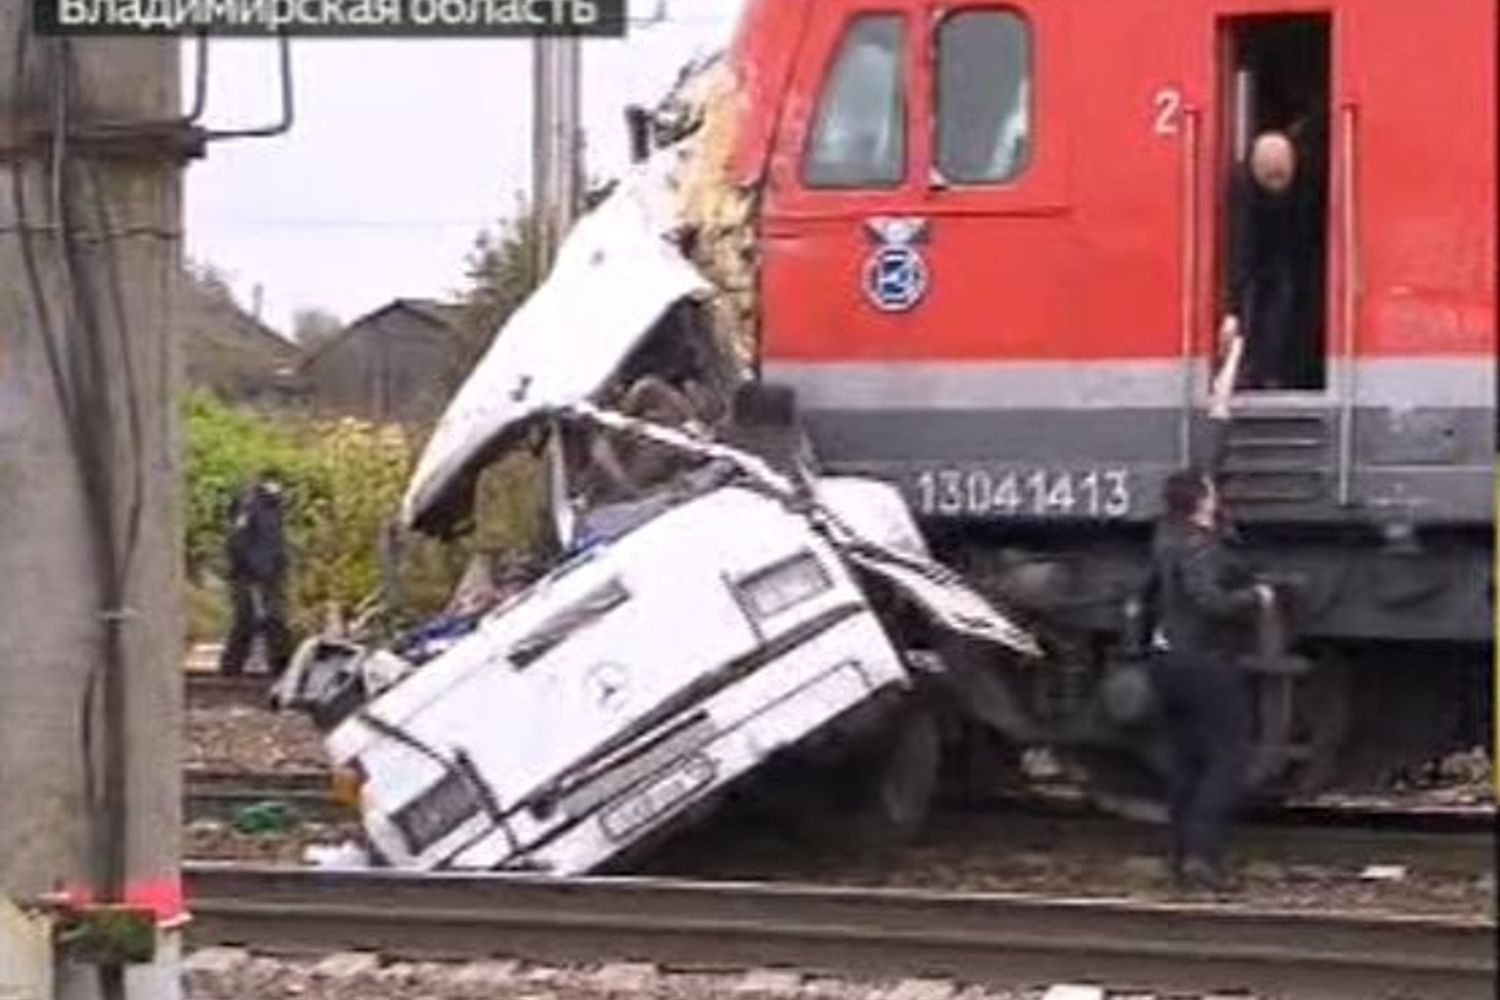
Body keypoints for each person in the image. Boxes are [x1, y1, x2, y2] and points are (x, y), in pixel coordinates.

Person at [1148, 329, 1275, 892]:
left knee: (1186, 761)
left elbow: (1212, 435)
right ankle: (1201, 860)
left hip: (1165, 663)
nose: (1218, 490)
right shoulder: (1199, 545)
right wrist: (1256, 598)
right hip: (1203, 662)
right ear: (1202, 502)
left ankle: (1179, 857)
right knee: (1226, 758)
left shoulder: (1166, 532)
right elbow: (1209, 600)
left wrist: (1232, 358)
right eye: (1212, 489)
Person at [1225, 130, 1315, 390]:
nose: (1277, 185)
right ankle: (1255, 368)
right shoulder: (1242, 190)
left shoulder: (1305, 184)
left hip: (1286, 252)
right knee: (1259, 304)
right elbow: (1242, 245)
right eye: (1271, 177)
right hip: (1259, 251)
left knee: (1283, 304)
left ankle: (1272, 371)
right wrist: (1233, 307)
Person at [219, 468, 294, 677]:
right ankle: (233, 667)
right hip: (249, 573)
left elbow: (274, 542)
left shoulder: (274, 507)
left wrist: (279, 565)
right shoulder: (250, 505)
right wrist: (250, 567)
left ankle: (279, 665)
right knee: (249, 618)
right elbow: (238, 539)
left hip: (270, 573)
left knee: (273, 618)